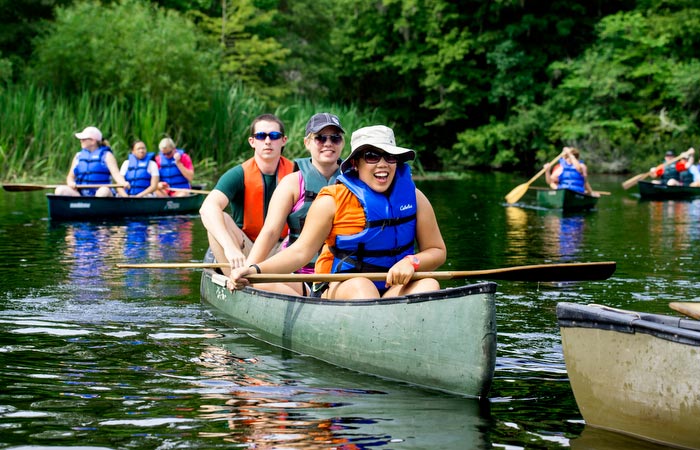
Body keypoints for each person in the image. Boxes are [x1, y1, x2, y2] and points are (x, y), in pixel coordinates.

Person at [227, 125, 447, 301]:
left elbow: (437, 251)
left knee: (429, 285)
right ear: (355, 163)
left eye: (390, 157)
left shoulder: (415, 197)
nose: (383, 164)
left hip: (392, 289)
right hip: (344, 289)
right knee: (362, 287)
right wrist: (255, 270)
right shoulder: (331, 201)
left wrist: (412, 262)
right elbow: (300, 253)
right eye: (372, 156)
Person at [243, 113, 346, 295]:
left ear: (342, 143)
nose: (328, 143)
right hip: (299, 276)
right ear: (307, 143)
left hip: (341, 276)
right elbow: (271, 232)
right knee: (257, 284)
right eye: (320, 138)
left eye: (335, 138)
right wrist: (249, 270)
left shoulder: (356, 181)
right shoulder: (292, 183)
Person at [199, 113, 295, 276]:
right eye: (260, 136)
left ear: (283, 140)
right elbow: (207, 208)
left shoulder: (297, 172)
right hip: (246, 250)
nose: (267, 141)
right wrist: (230, 247)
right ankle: (235, 278)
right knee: (218, 219)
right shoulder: (238, 174)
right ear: (252, 142)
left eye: (274, 136)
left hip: (284, 250)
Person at [54, 126, 128, 197]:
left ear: (93, 141)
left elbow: (116, 175)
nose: (81, 141)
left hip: (101, 192)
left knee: (103, 192)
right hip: (81, 193)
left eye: (84, 139)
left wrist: (123, 183)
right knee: (60, 190)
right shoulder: (78, 156)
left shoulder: (107, 155)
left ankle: (98, 207)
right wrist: (70, 183)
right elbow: (70, 177)